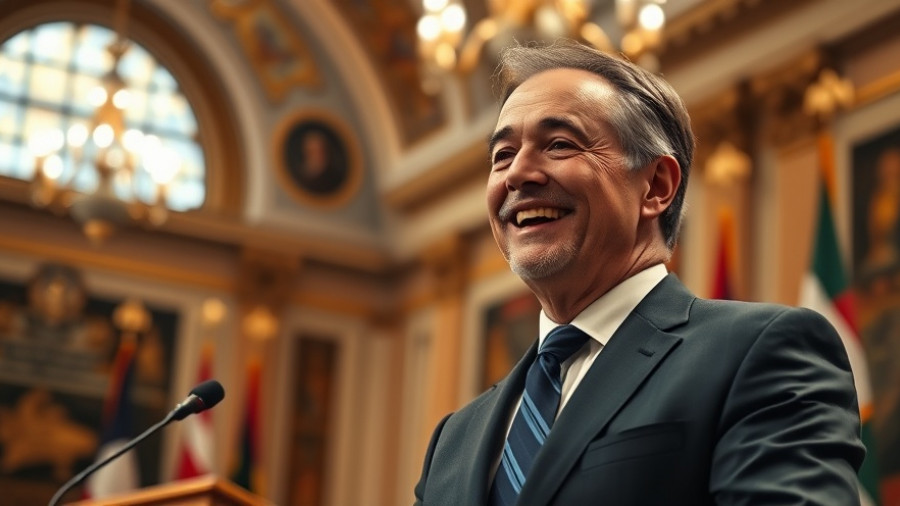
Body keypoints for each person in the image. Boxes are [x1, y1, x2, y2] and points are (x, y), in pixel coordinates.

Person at [414, 40, 864, 505]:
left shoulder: (760, 352)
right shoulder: (455, 440)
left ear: (656, 186)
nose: (518, 173)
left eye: (560, 144)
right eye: (502, 155)